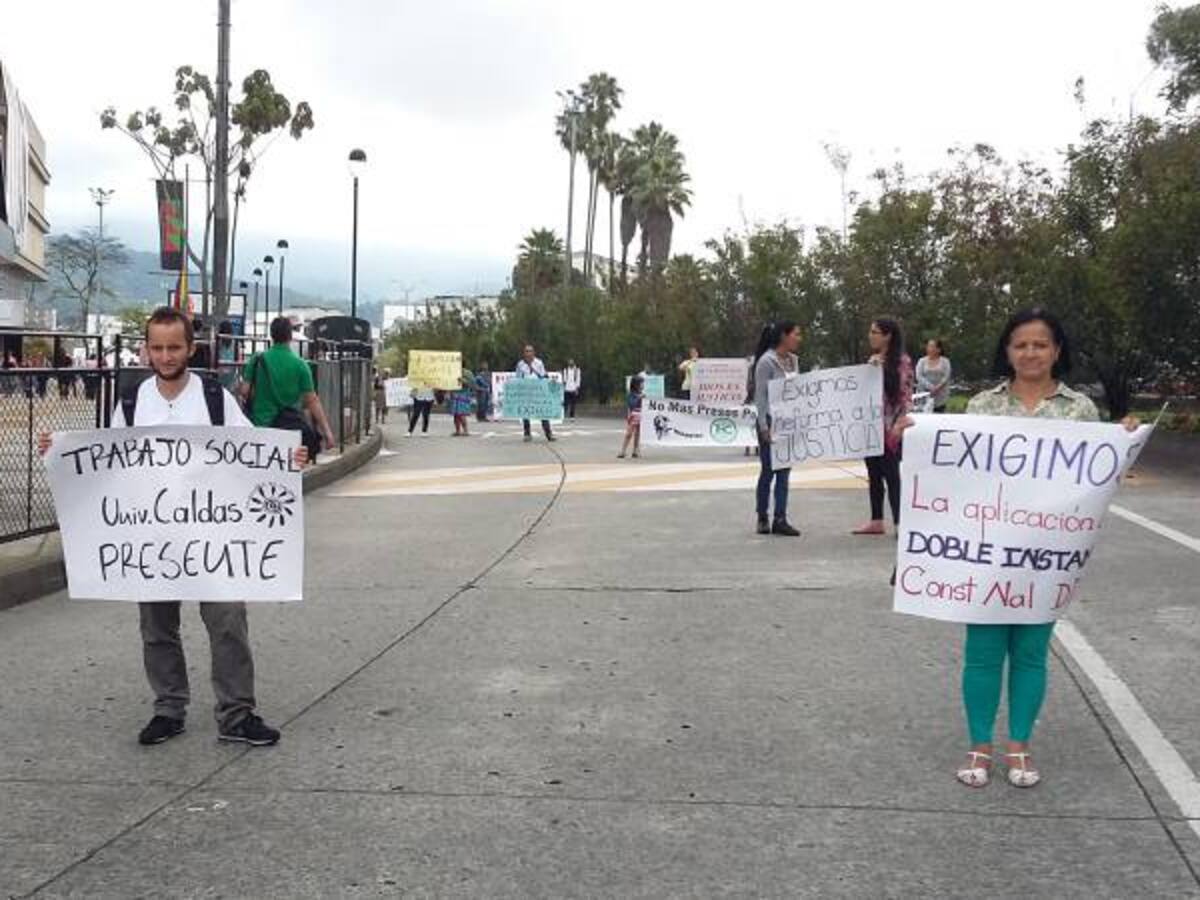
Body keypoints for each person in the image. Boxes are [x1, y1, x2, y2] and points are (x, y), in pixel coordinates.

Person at [38, 307, 306, 747]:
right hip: (152, 536)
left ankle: (237, 713)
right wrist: (58, 452)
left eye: (174, 347)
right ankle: (168, 708)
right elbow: (107, 464)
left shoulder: (216, 399)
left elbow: (252, 451)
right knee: (157, 625)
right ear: (146, 349)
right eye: (157, 347)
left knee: (228, 621)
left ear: (190, 348)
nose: (165, 356)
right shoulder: (132, 401)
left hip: (213, 535)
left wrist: (287, 461)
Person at [948, 307, 1138, 790]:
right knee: (983, 651)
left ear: (1056, 350)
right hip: (988, 551)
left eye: (1039, 344)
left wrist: (1124, 443)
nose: (1030, 352)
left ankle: (1019, 744)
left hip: (1047, 555)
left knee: (1032, 651)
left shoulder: (1078, 410)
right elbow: (958, 474)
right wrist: (919, 441)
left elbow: (1095, 481)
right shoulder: (982, 407)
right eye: (1020, 344)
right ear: (1007, 351)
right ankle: (979, 744)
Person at [239, 317, 336, 464]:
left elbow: (245, 391)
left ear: (272, 335)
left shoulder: (257, 359)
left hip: (259, 427)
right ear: (290, 336)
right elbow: (312, 401)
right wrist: (327, 432)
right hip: (289, 430)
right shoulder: (300, 365)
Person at [852, 316, 912, 536]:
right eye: (870, 331)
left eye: (875, 332)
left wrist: (882, 369)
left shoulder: (901, 362)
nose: (871, 336)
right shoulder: (873, 359)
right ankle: (876, 520)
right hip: (870, 426)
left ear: (888, 336)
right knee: (873, 473)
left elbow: (903, 396)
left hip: (890, 427)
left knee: (891, 474)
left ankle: (899, 521)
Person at [753, 322, 801, 536]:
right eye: (796, 334)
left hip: (788, 423)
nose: (799, 338)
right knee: (768, 471)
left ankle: (780, 518)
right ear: (784, 336)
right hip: (770, 422)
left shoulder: (793, 361)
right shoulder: (766, 361)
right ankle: (762, 515)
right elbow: (761, 396)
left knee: (784, 472)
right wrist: (763, 426)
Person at [515, 344, 555, 443]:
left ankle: (548, 433)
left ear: (534, 353)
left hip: (538, 391)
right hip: (526, 391)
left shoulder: (539, 363)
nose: (528, 353)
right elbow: (518, 378)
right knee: (525, 412)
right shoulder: (520, 364)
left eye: (530, 351)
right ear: (524, 353)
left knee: (542, 412)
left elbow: (544, 376)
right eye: (526, 351)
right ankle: (527, 433)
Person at [916, 338, 952, 412]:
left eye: (932, 346)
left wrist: (937, 387)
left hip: (940, 394)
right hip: (924, 393)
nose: (929, 348)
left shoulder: (945, 361)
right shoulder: (921, 361)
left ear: (939, 349)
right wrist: (930, 387)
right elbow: (919, 376)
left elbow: (946, 376)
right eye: (928, 346)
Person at [618, 374, 644, 459]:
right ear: (636, 384)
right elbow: (632, 404)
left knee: (638, 433)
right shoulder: (631, 394)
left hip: (641, 415)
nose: (643, 385)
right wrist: (639, 398)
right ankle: (623, 450)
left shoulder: (642, 394)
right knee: (629, 433)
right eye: (641, 383)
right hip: (633, 415)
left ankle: (635, 450)